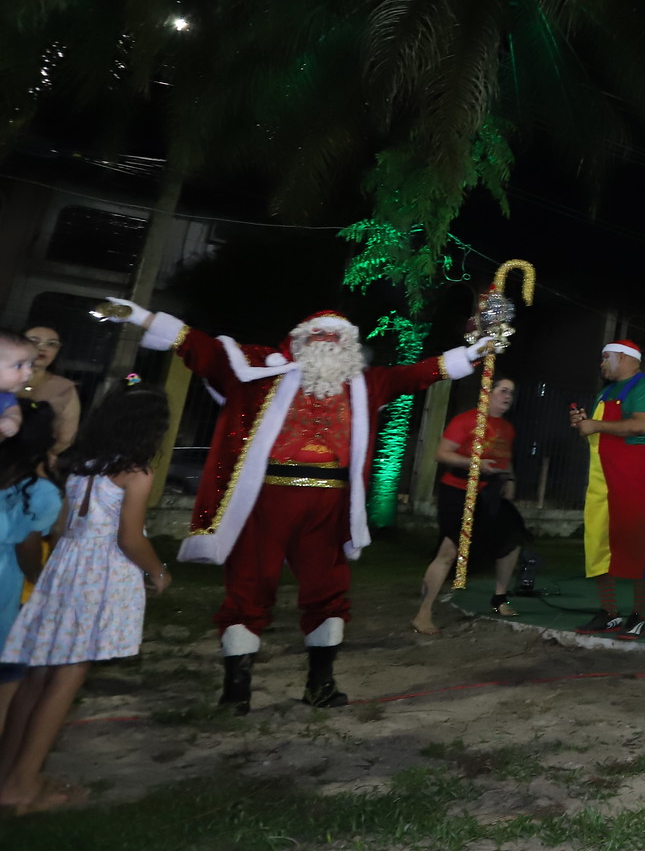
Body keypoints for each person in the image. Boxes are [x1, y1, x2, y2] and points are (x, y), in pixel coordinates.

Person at [97, 299, 497, 712]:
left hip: (329, 504)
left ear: (349, 348)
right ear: (299, 343)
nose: (328, 344)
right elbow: (202, 348)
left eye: (337, 339)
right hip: (267, 498)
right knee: (249, 585)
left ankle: (320, 684)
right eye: (319, 337)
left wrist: (474, 352)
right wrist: (143, 318)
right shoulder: (260, 373)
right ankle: (237, 690)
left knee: (328, 590)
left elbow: (419, 374)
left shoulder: (366, 383)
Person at [0, 387, 172, 812]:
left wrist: (50, 571)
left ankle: (10, 774)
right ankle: (22, 787)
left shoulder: (79, 463)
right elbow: (128, 538)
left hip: (65, 566)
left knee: (38, 675)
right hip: (101, 574)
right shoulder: (136, 472)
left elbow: (61, 527)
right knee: (67, 677)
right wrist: (158, 570)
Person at [569, 340, 645, 640]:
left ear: (624, 357)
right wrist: (584, 425)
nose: (601, 364)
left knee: (636, 539)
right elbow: (599, 432)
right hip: (601, 474)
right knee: (598, 539)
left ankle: (637, 615)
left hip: (635, 470)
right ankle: (609, 612)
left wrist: (595, 425)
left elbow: (639, 425)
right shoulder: (605, 393)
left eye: (605, 358)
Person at [413, 377, 523, 635]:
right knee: (449, 551)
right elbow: (442, 453)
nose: (507, 396)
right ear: (489, 392)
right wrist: (474, 464)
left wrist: (509, 479)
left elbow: (505, 459)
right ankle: (423, 613)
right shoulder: (466, 420)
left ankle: (499, 598)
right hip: (459, 491)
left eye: (511, 392)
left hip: (491, 493)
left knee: (511, 541)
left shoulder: (507, 428)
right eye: (503, 391)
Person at [0, 404, 64, 735]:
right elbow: (27, 543)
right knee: (5, 692)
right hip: (6, 591)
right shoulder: (40, 492)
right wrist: (37, 576)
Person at [17, 326, 81, 455]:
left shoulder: (65, 388)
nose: (42, 347)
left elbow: (65, 439)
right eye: (34, 341)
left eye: (52, 344)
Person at [0, 328, 34, 442]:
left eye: (30, 364)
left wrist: (12, 420)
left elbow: (13, 411)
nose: (29, 371)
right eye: (18, 366)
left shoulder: (7, 396)